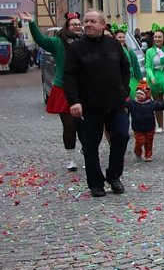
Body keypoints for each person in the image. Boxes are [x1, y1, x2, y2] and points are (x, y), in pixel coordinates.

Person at [63, 10, 130, 197]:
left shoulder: (113, 44)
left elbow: (125, 67)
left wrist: (124, 90)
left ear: (102, 25)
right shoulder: (76, 48)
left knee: (121, 136)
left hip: (115, 103)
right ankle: (95, 183)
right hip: (88, 106)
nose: (88, 24)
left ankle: (114, 176)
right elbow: (69, 77)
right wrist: (74, 101)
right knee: (90, 145)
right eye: (86, 21)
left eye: (93, 21)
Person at [18, 11, 83, 171]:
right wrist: (32, 23)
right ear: (67, 27)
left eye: (78, 24)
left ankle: (87, 148)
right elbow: (41, 39)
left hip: (83, 89)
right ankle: (70, 158)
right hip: (63, 89)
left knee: (85, 125)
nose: (77, 26)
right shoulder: (57, 43)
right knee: (69, 125)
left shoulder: (86, 42)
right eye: (73, 24)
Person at [127, 80, 164, 161]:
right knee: (139, 141)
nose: (139, 96)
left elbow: (161, 106)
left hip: (150, 127)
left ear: (146, 95)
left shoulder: (152, 104)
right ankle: (137, 151)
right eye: (138, 94)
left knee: (149, 142)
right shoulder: (132, 103)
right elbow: (125, 103)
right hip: (137, 128)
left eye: (141, 94)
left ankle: (148, 155)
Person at [145, 25, 164, 132]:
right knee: (157, 103)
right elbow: (148, 66)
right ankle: (160, 125)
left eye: (159, 37)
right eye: (155, 37)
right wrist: (151, 77)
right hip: (155, 78)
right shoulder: (150, 51)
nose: (157, 39)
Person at [111, 24, 143, 98]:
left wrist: (141, 80)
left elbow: (136, 67)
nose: (122, 39)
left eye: (123, 37)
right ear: (114, 38)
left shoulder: (129, 51)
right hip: (118, 81)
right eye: (119, 37)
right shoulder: (111, 52)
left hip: (131, 80)